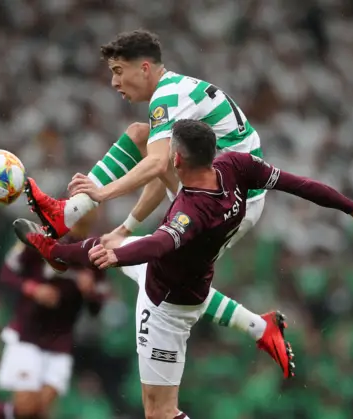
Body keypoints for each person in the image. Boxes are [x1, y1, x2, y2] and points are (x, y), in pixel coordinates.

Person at [14, 119, 353, 419]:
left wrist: (119, 257)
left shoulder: (192, 211)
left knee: (159, 412)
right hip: (184, 280)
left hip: (166, 307)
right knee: (109, 246)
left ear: (176, 159)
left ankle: (59, 253)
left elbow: (159, 243)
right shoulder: (234, 166)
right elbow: (298, 184)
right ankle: (56, 253)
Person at [17, 29, 292, 365]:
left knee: (169, 282)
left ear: (144, 68)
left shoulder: (167, 98)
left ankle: (66, 225)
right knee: (139, 139)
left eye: (119, 72)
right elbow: (165, 167)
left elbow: (160, 164)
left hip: (234, 203)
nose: (115, 83)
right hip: (223, 190)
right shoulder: (176, 91)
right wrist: (126, 226)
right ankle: (66, 219)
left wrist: (102, 193)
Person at [0, 214, 108, 419]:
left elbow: (96, 309)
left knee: (40, 411)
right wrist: (34, 289)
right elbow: (7, 273)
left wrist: (90, 292)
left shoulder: (94, 252)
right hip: (28, 334)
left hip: (60, 341)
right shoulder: (41, 237)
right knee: (26, 408)